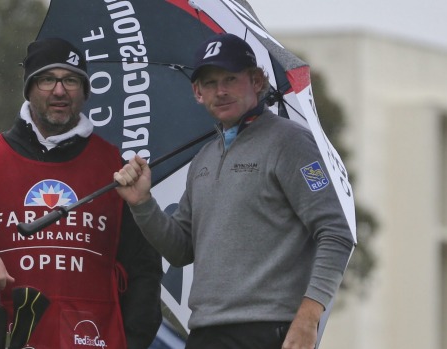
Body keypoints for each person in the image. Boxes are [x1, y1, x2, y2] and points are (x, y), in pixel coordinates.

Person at [114, 33, 355, 349]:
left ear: (257, 81)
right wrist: (142, 203)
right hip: (204, 332)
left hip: (268, 332)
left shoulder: (290, 142)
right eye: (210, 83)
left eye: (231, 78)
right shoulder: (204, 157)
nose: (221, 90)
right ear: (197, 92)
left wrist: (309, 317)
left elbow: (336, 233)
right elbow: (180, 250)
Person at [0, 37, 163, 349]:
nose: (59, 90)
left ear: (85, 91)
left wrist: (130, 343)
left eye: (71, 80)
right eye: (47, 79)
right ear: (30, 88)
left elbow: (145, 273)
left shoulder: (119, 173)